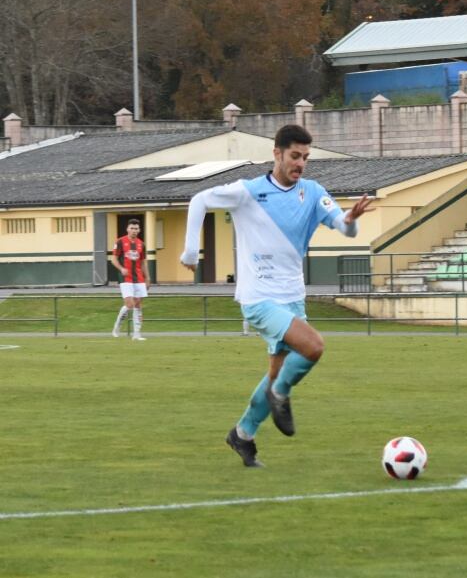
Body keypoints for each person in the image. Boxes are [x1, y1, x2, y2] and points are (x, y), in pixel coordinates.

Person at [180, 124, 374, 467]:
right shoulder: (249, 191)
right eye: (294, 156)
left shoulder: (313, 192)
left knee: (275, 373)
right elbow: (198, 200)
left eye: (305, 158)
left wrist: (352, 218)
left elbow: (344, 228)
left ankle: (243, 435)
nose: (300, 163)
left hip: (292, 297)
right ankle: (280, 395)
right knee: (313, 346)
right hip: (258, 298)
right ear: (277, 154)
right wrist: (191, 253)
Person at [111, 218, 148, 340]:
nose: (134, 230)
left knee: (138, 305)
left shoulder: (141, 244)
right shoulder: (120, 242)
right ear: (127, 229)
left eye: (136, 228)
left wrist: (147, 277)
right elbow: (114, 259)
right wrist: (121, 269)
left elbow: (143, 262)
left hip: (139, 278)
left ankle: (137, 334)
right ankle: (117, 327)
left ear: (139, 230)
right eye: (132, 228)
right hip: (125, 278)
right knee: (130, 304)